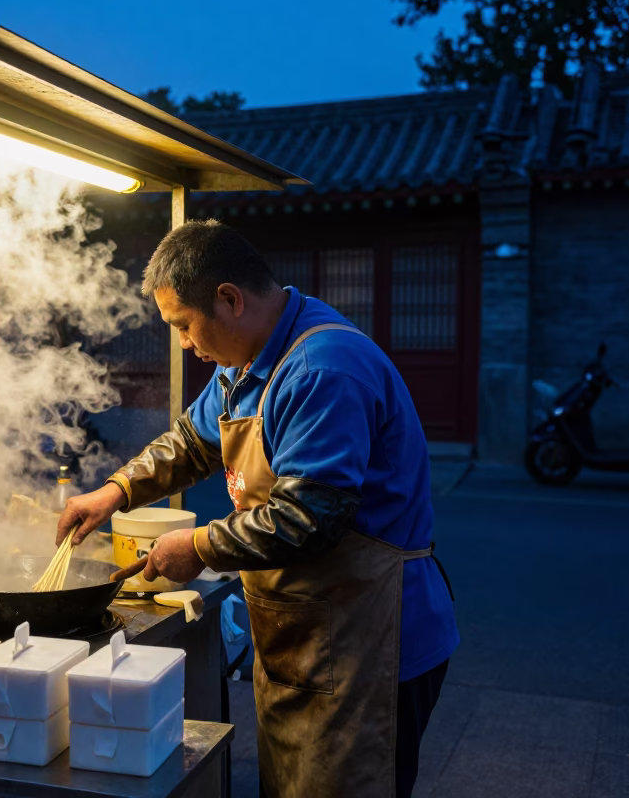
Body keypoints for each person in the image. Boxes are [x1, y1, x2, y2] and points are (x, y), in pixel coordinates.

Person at [56, 220, 459, 798]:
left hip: (370, 639)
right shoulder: (243, 361)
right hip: (306, 631)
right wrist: (115, 490)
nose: (185, 345)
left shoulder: (323, 368)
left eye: (184, 326)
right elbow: (192, 441)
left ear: (229, 299)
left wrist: (196, 546)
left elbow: (308, 516)